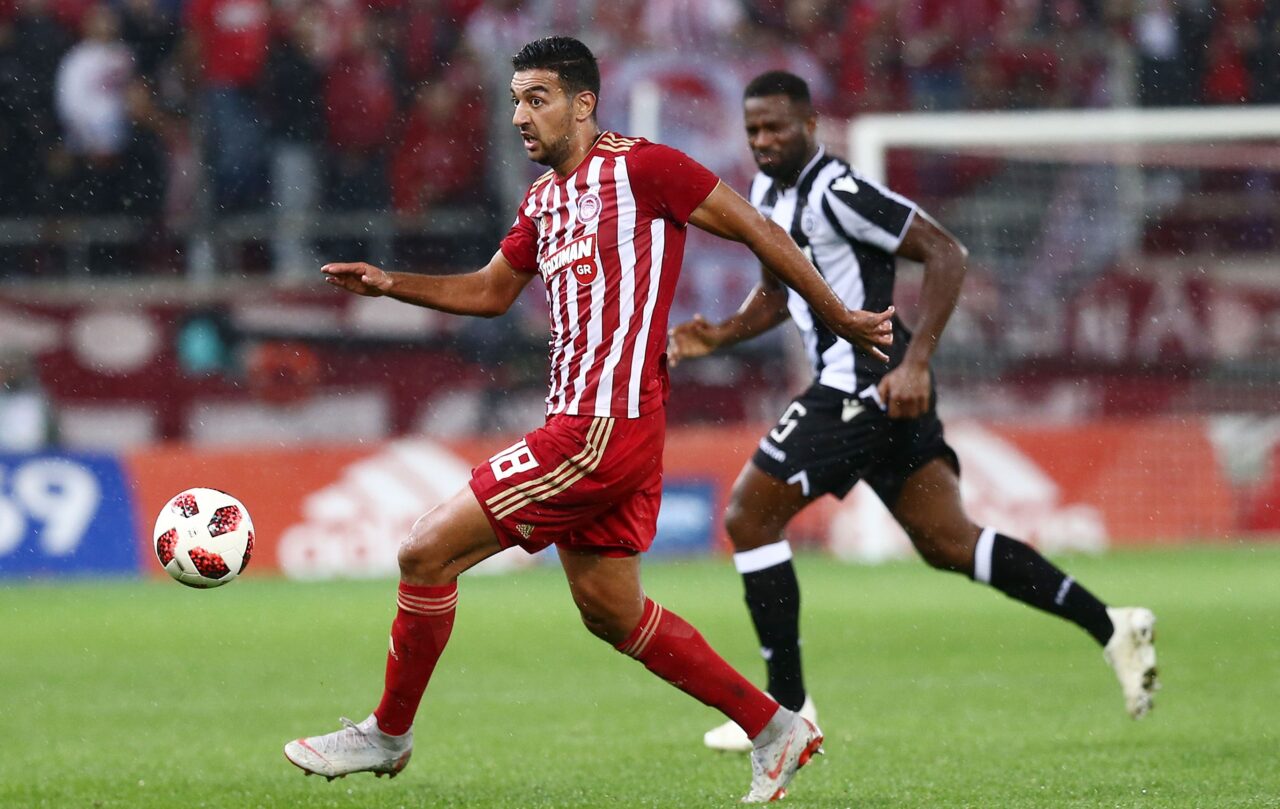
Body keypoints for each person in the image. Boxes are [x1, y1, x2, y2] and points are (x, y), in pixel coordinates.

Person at [283, 37, 898, 803]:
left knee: (424, 551)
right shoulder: (541, 201)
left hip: (599, 429)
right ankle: (775, 726)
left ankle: (388, 731)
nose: (519, 115)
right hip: (603, 428)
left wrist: (838, 314)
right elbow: (490, 292)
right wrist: (389, 283)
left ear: (583, 104)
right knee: (611, 610)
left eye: (536, 98)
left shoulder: (645, 169)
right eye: (515, 100)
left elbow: (758, 229)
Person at [667, 71, 1159, 754]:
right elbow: (779, 295)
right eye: (753, 130)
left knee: (749, 516)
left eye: (776, 126)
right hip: (876, 390)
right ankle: (1113, 625)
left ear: (810, 125)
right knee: (950, 541)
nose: (764, 140)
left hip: (864, 383)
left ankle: (788, 708)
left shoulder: (840, 191)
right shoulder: (766, 194)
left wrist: (918, 361)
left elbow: (945, 251)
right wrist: (720, 335)